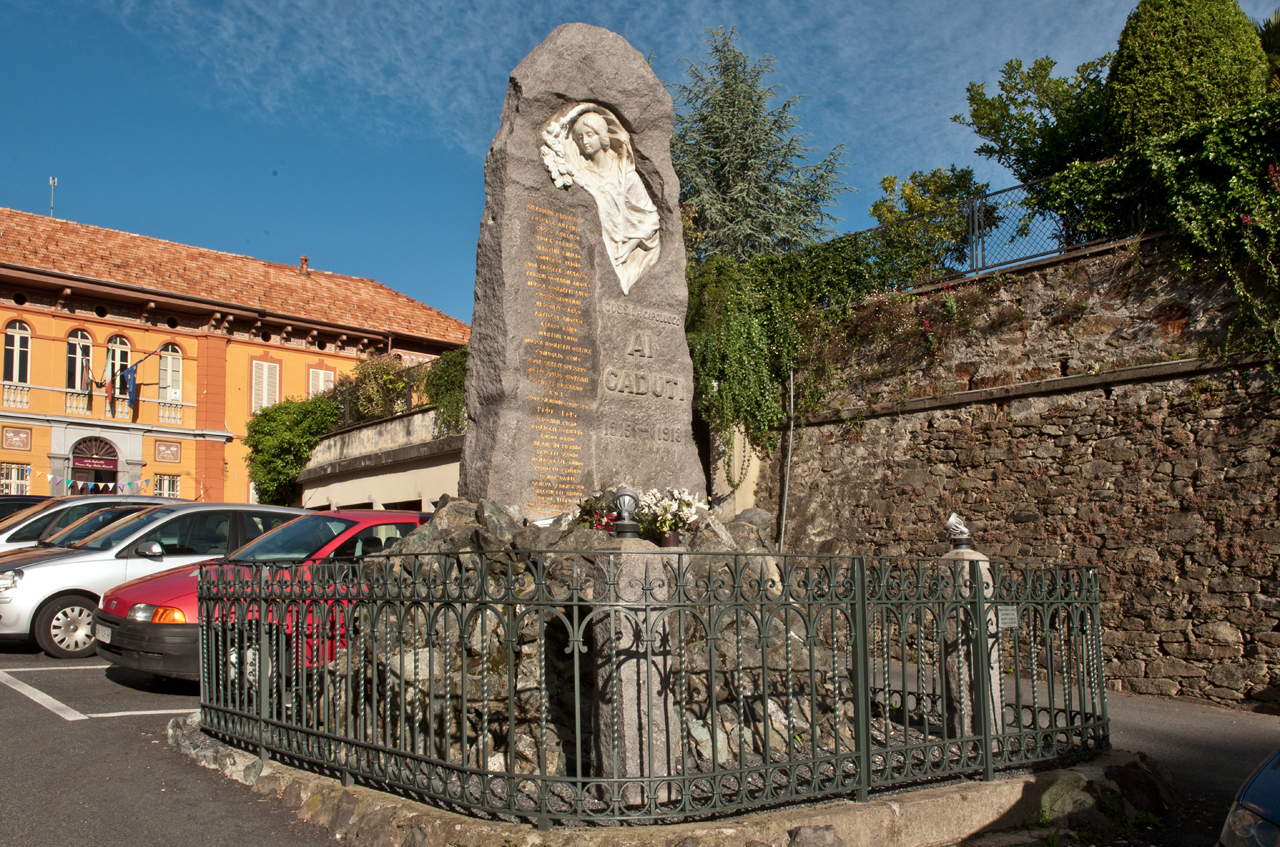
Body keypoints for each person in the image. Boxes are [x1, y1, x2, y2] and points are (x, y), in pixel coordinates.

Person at [567, 110, 661, 294]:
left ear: (602, 136)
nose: (585, 141)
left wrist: (631, 244)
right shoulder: (580, 174)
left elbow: (651, 218)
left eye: (590, 134)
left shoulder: (626, 177)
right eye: (580, 137)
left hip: (623, 249)